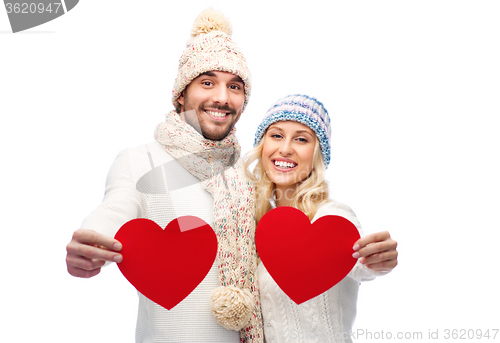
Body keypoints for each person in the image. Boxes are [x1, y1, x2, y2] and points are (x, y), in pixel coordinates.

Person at [65, 9, 263, 343]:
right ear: (181, 94)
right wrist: (90, 240)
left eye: (235, 86)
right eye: (207, 82)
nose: (222, 97)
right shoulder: (140, 160)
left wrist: (368, 265)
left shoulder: (249, 177)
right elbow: (115, 208)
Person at [244, 94, 398, 343]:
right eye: (276, 135)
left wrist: (378, 260)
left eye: (301, 139)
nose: (285, 148)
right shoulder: (257, 226)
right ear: (263, 146)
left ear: (317, 154)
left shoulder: (332, 216)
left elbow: (358, 266)